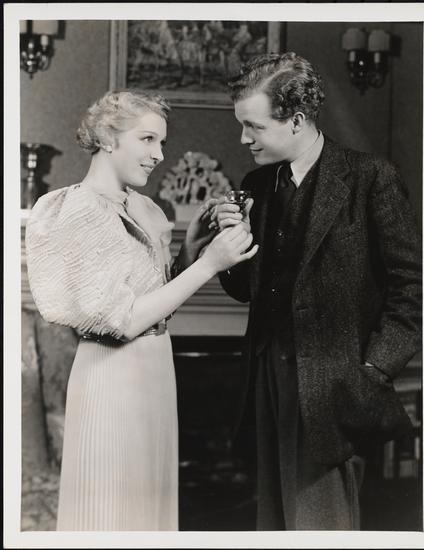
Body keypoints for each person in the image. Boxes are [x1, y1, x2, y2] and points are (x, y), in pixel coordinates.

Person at [25, 89, 258, 531]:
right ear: (107, 138)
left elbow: (155, 302)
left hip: (156, 370)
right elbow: (125, 320)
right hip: (110, 375)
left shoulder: (146, 208)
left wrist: (191, 251)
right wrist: (209, 265)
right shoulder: (76, 210)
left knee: (150, 512)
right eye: (147, 139)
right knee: (110, 511)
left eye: (162, 142)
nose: (159, 155)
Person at [211, 52, 422, 530]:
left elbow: (413, 287)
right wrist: (232, 241)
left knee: (321, 525)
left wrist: (374, 369)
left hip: (335, 385)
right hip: (266, 377)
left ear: (297, 120)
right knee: (273, 522)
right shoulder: (256, 184)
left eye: (253, 126)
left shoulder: (371, 178)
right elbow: (245, 290)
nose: (243, 139)